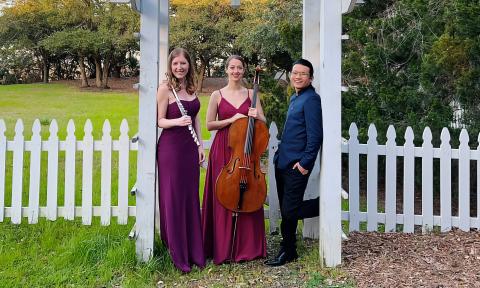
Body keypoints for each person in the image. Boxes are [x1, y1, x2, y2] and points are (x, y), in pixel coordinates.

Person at [202, 55, 267, 264]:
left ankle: (247, 247)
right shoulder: (217, 95)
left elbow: (264, 123)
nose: (236, 71)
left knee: (248, 191)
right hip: (224, 148)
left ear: (244, 70)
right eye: (232, 67)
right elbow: (209, 124)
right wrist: (232, 119)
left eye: (239, 68)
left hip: (246, 153)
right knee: (223, 193)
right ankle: (222, 247)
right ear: (226, 70)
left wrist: (256, 115)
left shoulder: (251, 94)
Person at [265, 58, 323, 267]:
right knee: (286, 209)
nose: (297, 77)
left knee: (290, 211)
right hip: (282, 163)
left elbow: (315, 136)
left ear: (310, 78)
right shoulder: (295, 98)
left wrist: (305, 164)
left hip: (297, 166)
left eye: (303, 74)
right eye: (295, 73)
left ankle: (322, 206)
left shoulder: (311, 100)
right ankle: (289, 249)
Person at [156, 48, 205, 273]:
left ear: (189, 65)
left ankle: (194, 250)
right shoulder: (165, 89)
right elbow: (160, 121)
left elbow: (195, 121)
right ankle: (177, 251)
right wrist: (177, 122)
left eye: (183, 63)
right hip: (171, 150)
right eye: (175, 64)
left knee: (189, 197)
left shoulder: (192, 88)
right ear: (170, 66)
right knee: (174, 198)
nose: (179, 67)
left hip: (189, 150)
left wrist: (200, 146)